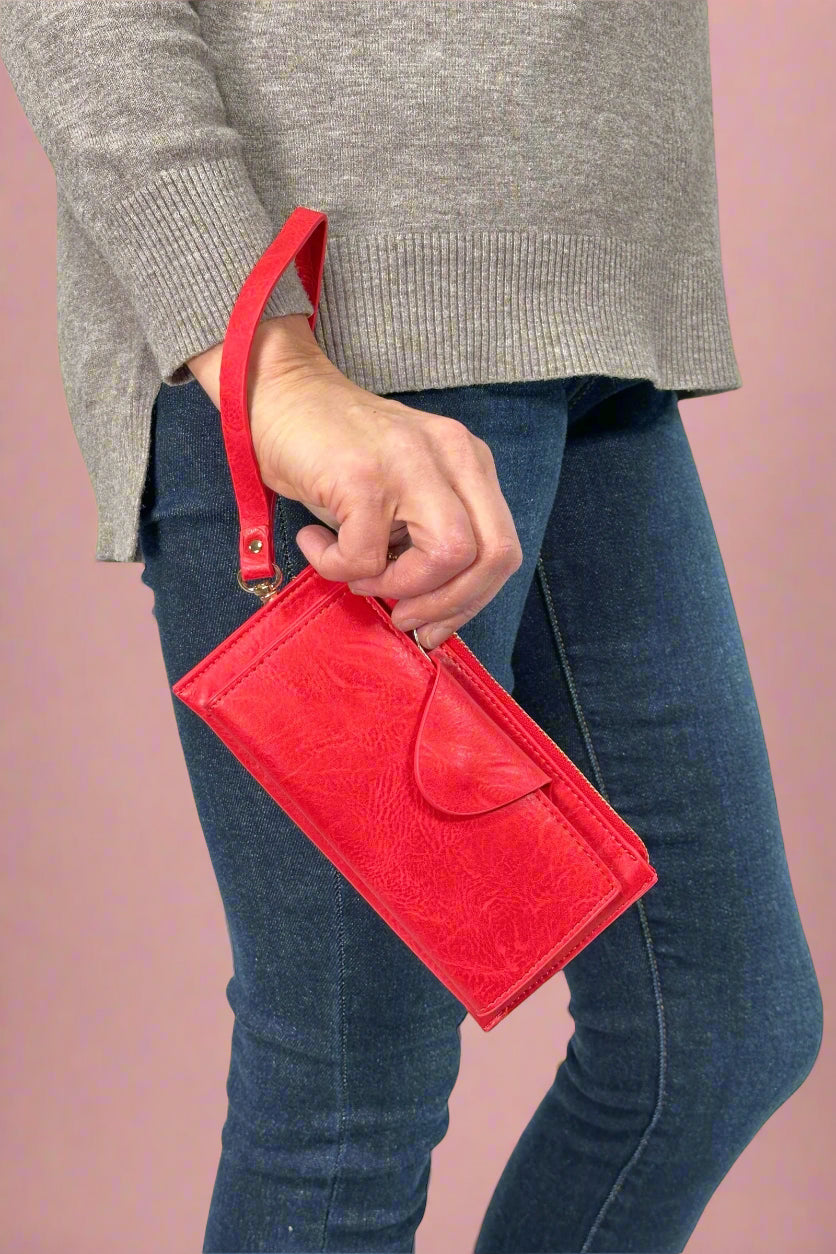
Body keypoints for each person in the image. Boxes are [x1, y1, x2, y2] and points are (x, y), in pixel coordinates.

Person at [0, 3, 822, 1251]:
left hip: (595, 328)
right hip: (337, 358)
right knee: (345, 1107)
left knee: (715, 1027)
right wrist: (259, 349)